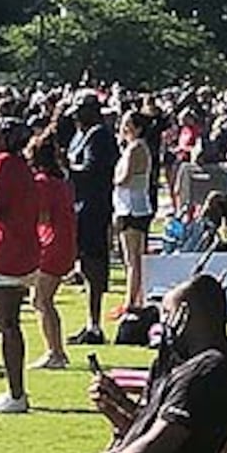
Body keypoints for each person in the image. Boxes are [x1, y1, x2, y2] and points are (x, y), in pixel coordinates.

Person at [42, 275, 227, 453]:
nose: (163, 325)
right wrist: (118, 403)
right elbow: (152, 429)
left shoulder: (207, 371)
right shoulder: (201, 361)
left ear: (183, 315)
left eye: (167, 314)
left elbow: (158, 445)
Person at [0, 117, 40, 414]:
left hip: (4, 250)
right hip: (22, 248)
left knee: (6, 324)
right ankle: (16, 391)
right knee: (9, 323)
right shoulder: (22, 166)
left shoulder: (2, 163)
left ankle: (16, 393)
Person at [66, 93, 114, 343]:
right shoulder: (80, 135)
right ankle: (89, 323)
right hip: (79, 205)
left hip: (93, 207)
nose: (75, 117)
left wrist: (66, 168)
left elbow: (92, 170)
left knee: (94, 264)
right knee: (84, 265)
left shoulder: (99, 136)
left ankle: (95, 324)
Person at [29, 127, 76, 371]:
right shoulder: (61, 182)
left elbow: (43, 217)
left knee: (42, 299)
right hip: (65, 243)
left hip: (52, 244)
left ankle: (55, 352)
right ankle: (55, 350)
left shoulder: (43, 184)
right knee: (42, 299)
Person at [112, 110, 156, 319]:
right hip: (133, 206)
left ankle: (132, 302)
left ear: (138, 128)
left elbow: (124, 178)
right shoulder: (134, 147)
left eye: (128, 124)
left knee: (133, 259)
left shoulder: (136, 148)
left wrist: (112, 178)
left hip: (131, 208)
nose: (123, 127)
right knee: (134, 258)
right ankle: (135, 299)